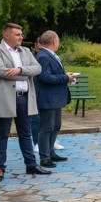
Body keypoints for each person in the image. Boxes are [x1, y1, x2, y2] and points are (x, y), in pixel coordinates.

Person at [0, 22, 46, 181]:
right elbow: (1, 72)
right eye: (18, 34)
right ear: (6, 35)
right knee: (2, 134)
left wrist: (20, 70)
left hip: (24, 98)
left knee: (25, 133)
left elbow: (38, 68)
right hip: (6, 99)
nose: (22, 37)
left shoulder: (26, 51)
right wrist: (27, 73)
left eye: (21, 34)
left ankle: (31, 165)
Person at [34, 30, 76, 167]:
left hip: (56, 98)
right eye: (58, 40)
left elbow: (53, 74)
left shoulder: (51, 55)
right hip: (48, 98)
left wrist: (66, 76)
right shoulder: (43, 56)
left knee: (55, 126)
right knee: (46, 127)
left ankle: (51, 153)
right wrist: (65, 78)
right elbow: (44, 77)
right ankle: (44, 158)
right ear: (54, 41)